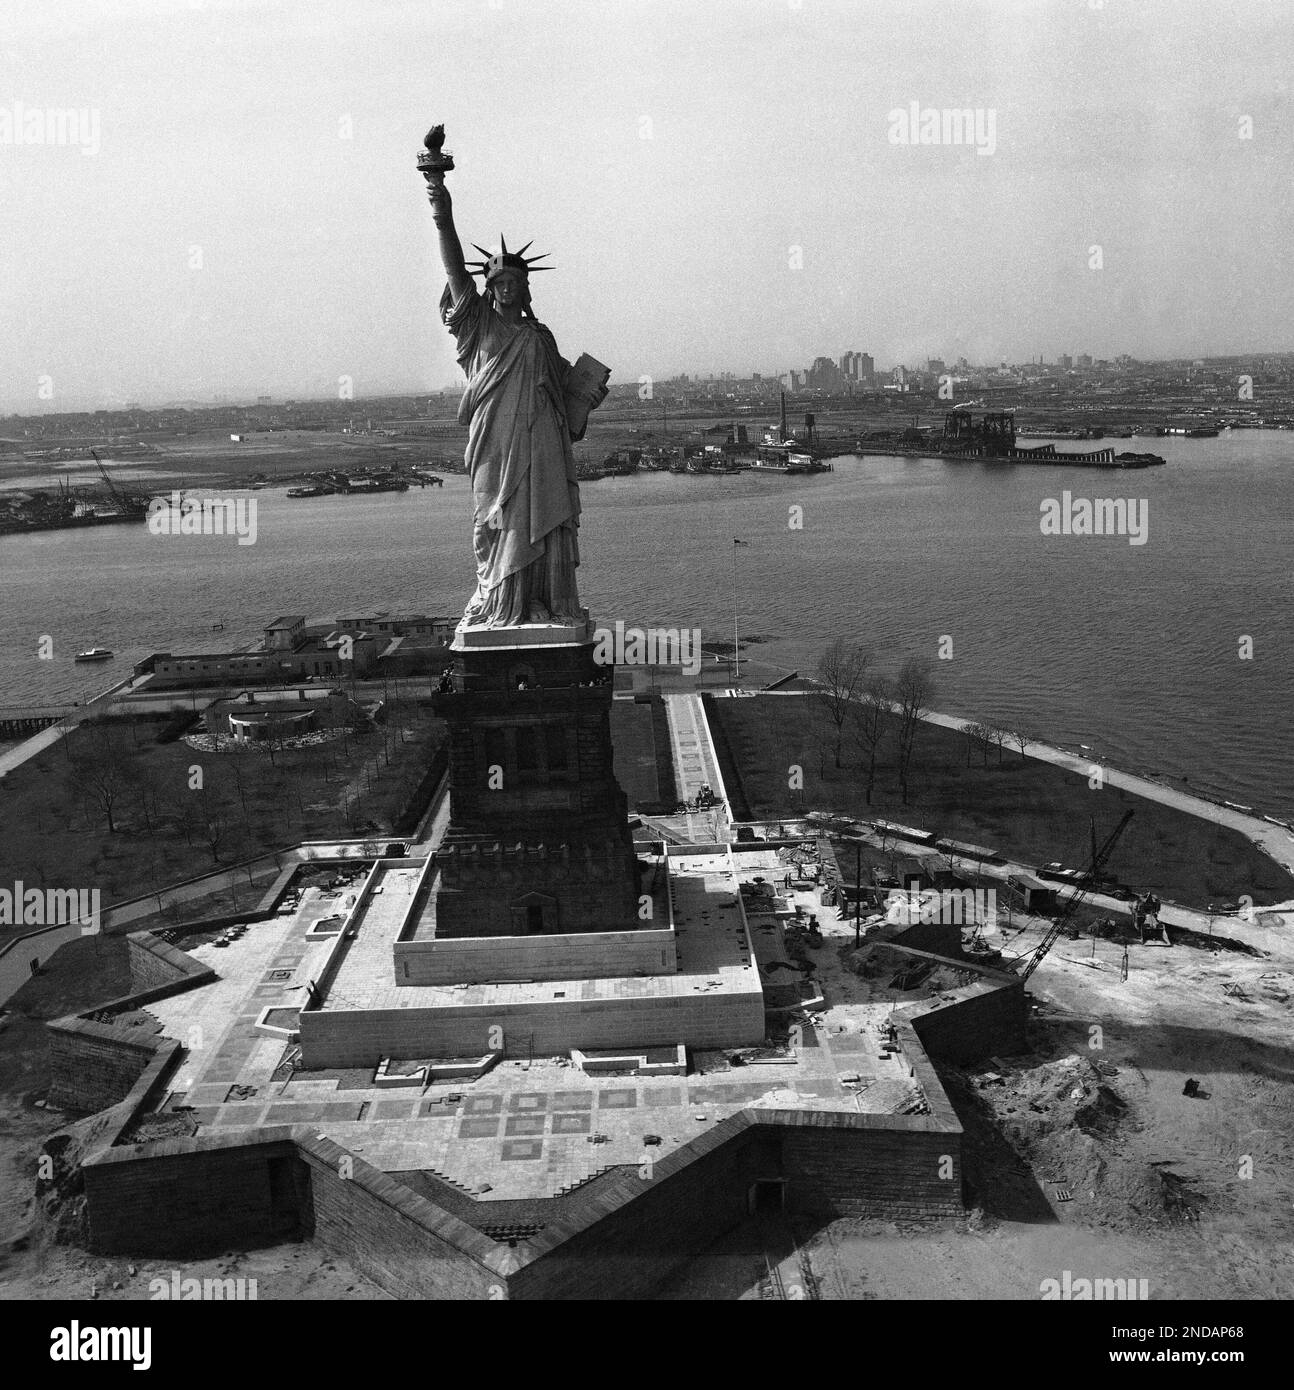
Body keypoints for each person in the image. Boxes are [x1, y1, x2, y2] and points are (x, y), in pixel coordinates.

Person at [426, 177, 607, 628]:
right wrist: (440, 204)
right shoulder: (477, 326)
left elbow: (568, 399)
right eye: (499, 281)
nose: (506, 287)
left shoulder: (539, 337)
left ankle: (543, 601)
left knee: (545, 517)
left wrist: (589, 396)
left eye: (514, 281)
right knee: (492, 521)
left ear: (525, 288)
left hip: (542, 440)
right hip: (494, 441)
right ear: (488, 288)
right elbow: (454, 268)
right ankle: (499, 602)